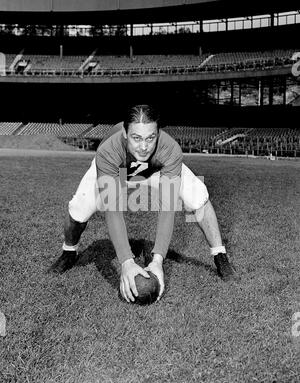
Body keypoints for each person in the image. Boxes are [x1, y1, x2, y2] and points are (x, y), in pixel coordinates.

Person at [49, 104, 239, 302]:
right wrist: (126, 262)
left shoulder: (170, 149)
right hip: (118, 170)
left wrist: (158, 260)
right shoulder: (108, 151)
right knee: (79, 209)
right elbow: (113, 209)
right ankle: (69, 252)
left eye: (150, 138)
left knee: (198, 197)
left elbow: (167, 207)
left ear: (158, 133)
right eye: (136, 138)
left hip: (156, 170)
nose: (143, 146)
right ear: (124, 133)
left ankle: (220, 256)